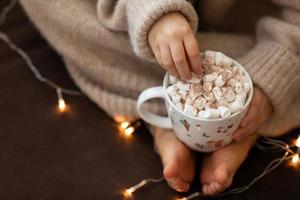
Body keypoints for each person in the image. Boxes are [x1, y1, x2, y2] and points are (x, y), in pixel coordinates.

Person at [20, 0, 300, 195]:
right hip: (128, 16)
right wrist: (153, 9)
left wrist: (273, 69)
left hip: (252, 24)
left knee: (288, 64)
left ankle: (237, 117)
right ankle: (192, 119)